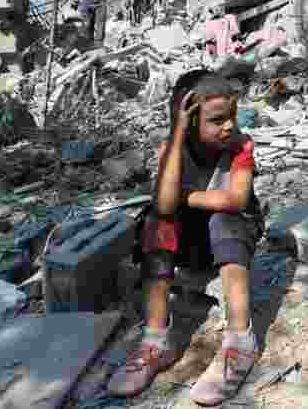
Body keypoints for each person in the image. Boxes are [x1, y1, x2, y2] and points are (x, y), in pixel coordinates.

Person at [107, 69, 264, 405]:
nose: (228, 126)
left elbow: (235, 199)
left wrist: (186, 197)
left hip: (231, 238)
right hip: (192, 245)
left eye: (231, 117)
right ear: (190, 122)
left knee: (225, 218)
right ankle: (155, 342)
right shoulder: (173, 150)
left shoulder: (240, 145)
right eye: (217, 120)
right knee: (156, 223)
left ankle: (240, 343)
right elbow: (164, 205)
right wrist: (178, 136)